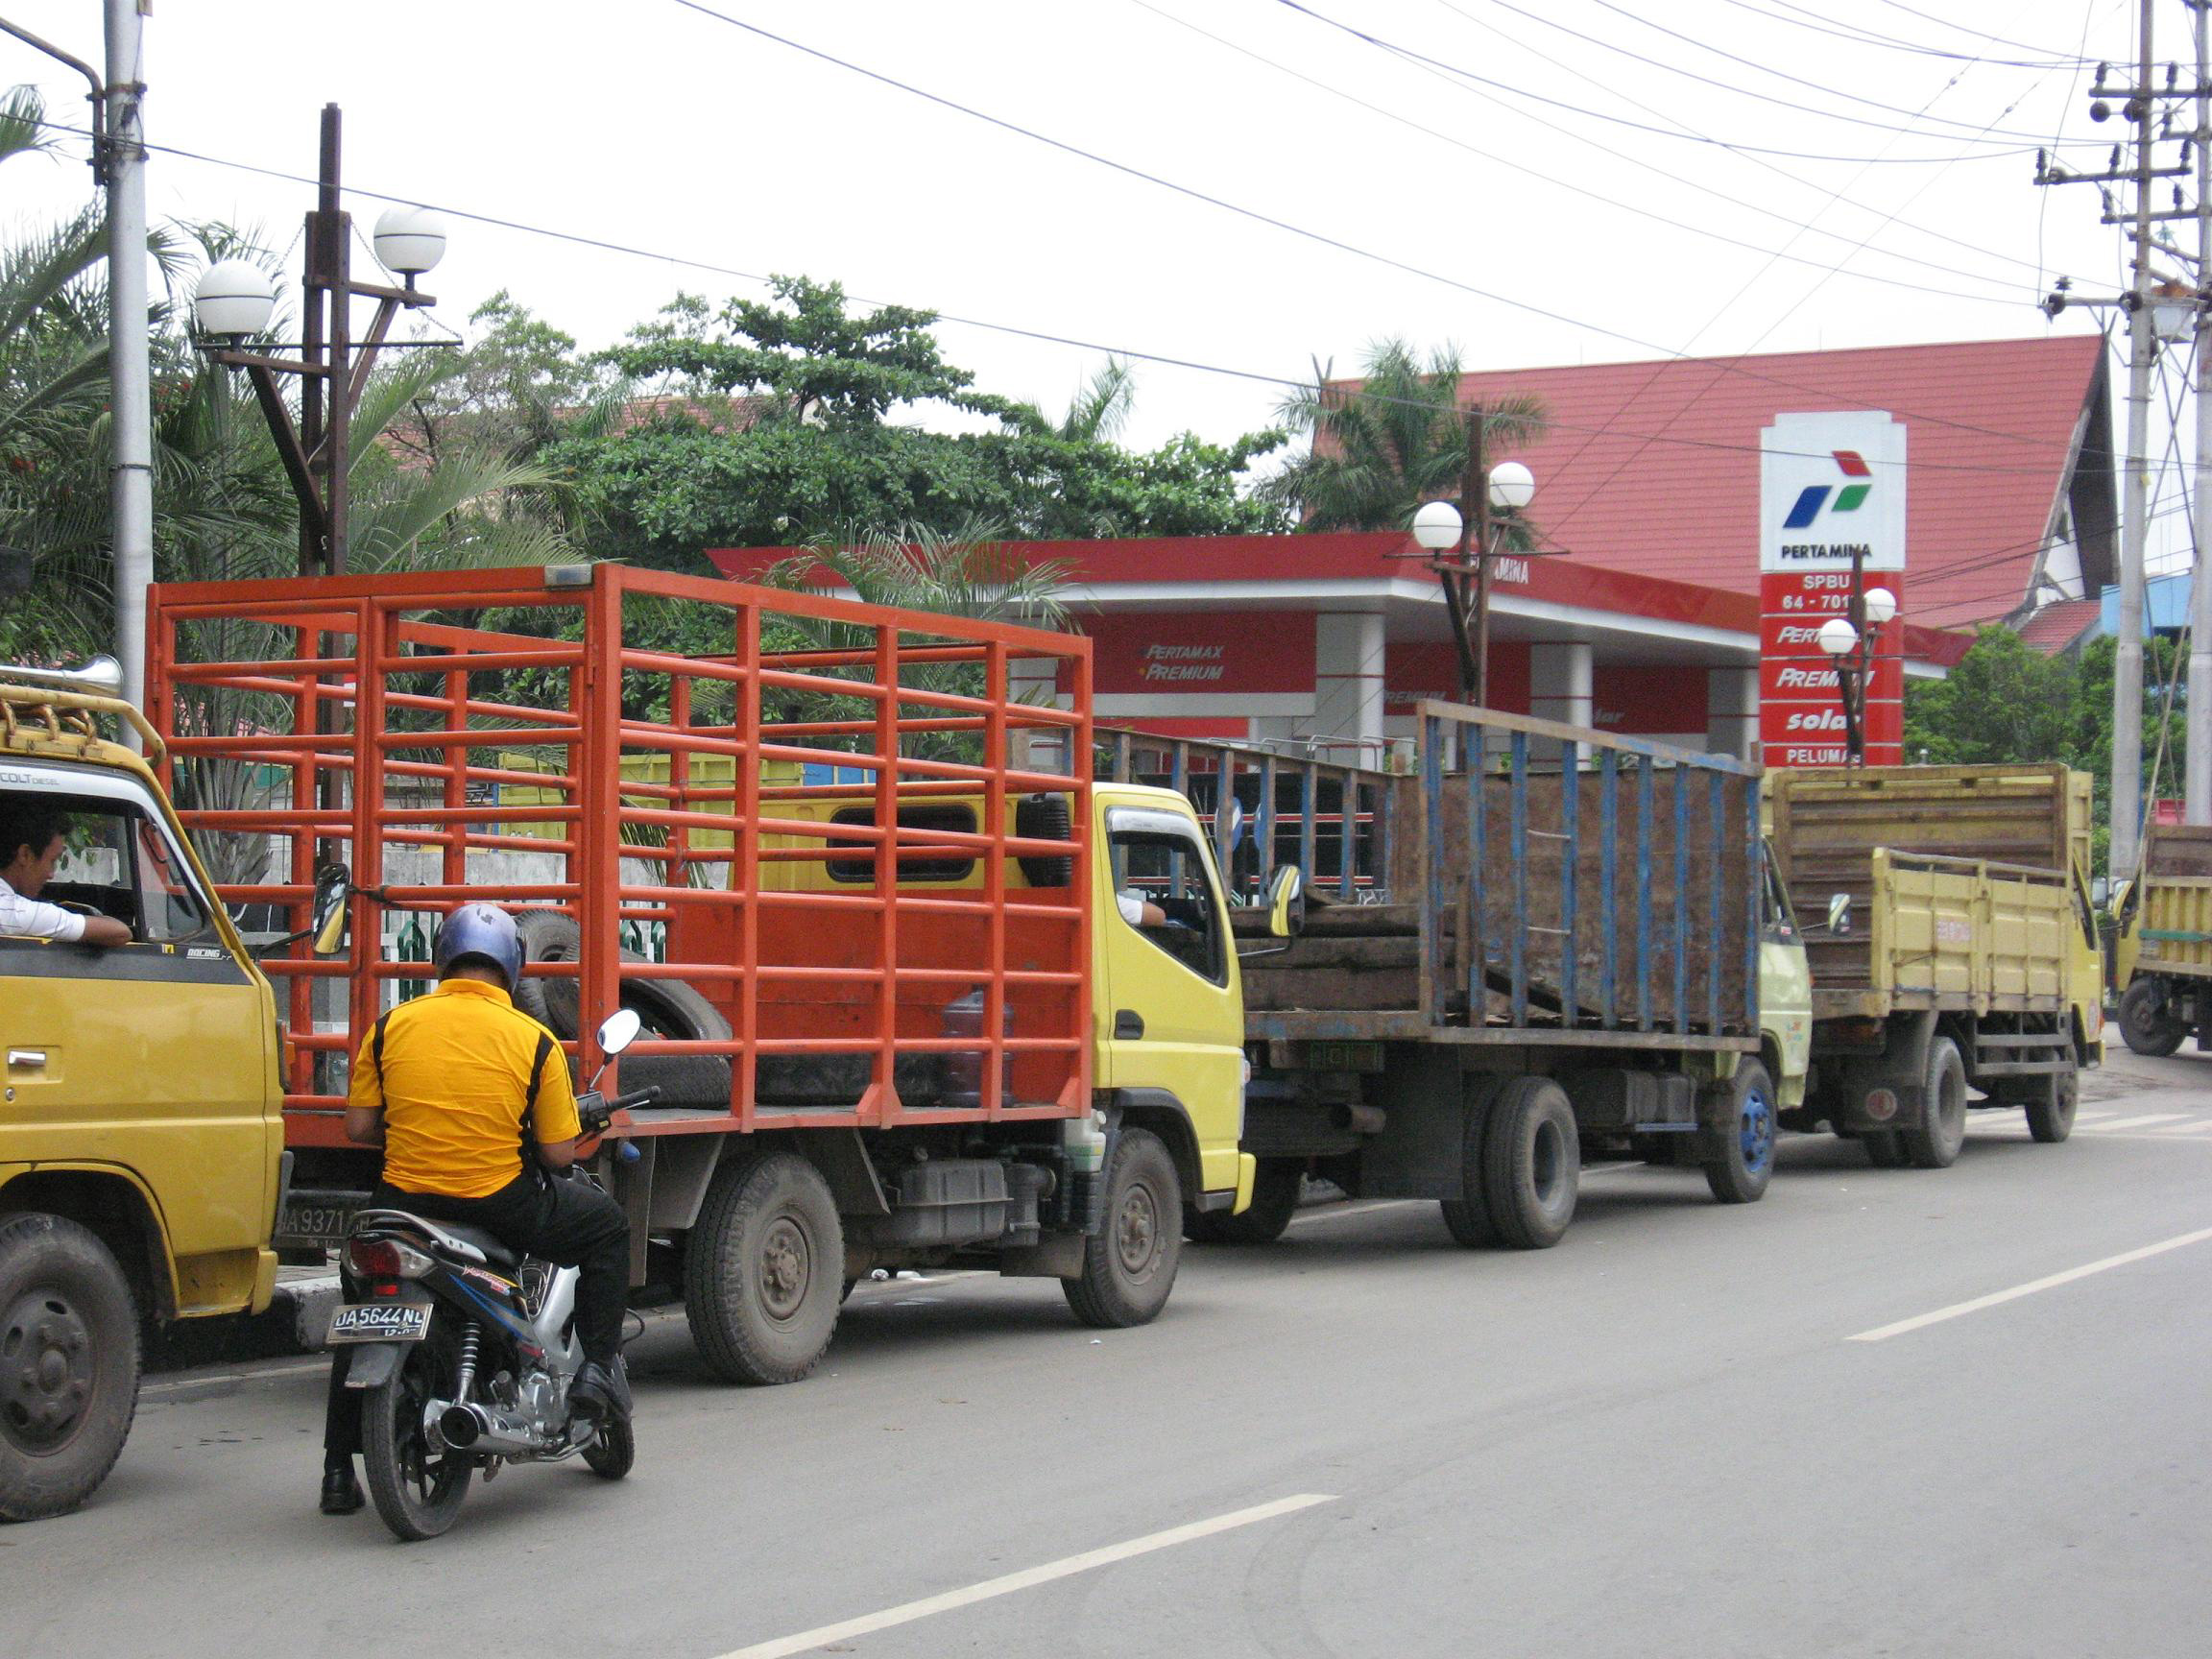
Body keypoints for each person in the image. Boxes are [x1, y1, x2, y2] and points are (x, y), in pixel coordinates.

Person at [319, 902, 632, 1517]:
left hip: (402, 1205)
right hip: (498, 1205)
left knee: (361, 1318)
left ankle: (335, 1473)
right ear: (513, 967)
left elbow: (358, 1127)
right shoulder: (534, 1039)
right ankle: (597, 1369)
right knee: (607, 1231)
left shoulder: (389, 1026)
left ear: (443, 960)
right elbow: (558, 1154)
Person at [0, 803, 132, 945]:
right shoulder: (18, 914)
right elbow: (120, 932)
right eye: (52, 860)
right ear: (25, 855)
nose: (51, 874)